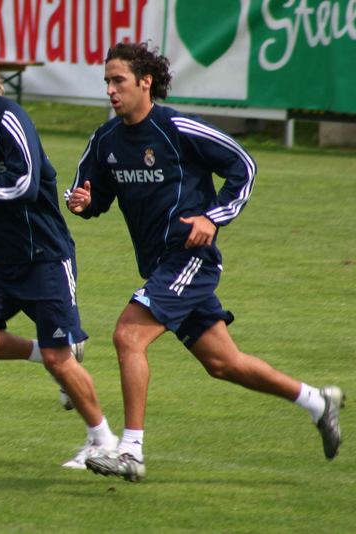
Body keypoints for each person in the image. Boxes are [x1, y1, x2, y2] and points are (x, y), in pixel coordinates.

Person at [65, 41, 344, 482]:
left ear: (145, 81)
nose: (111, 91)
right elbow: (88, 192)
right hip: (160, 266)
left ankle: (131, 451)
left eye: (118, 80)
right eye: (106, 82)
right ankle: (316, 400)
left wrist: (214, 218)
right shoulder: (107, 139)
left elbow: (244, 166)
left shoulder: (178, 127)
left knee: (128, 336)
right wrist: (82, 201)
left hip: (190, 258)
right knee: (223, 364)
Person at [0, 37, 118, 468]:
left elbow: (25, 185)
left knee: (61, 360)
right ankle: (49, 352)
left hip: (45, 259)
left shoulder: (11, 119)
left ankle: (104, 441)